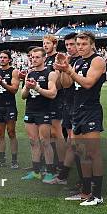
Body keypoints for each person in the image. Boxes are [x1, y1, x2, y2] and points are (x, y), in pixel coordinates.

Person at [56, 32, 105, 206]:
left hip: (91, 110)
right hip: (77, 111)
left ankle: (97, 195)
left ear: (92, 44)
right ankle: (85, 193)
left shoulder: (97, 60)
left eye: (84, 43)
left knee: (93, 153)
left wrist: (69, 70)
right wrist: (63, 68)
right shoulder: (77, 61)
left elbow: (88, 83)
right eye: (78, 44)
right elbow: (66, 84)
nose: (80, 47)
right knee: (82, 153)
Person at [47, 32, 82, 186]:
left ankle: (77, 180)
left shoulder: (81, 61)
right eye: (67, 45)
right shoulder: (69, 60)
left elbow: (70, 83)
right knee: (72, 142)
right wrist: (60, 70)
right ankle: (65, 176)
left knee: (77, 143)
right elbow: (62, 84)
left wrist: (65, 68)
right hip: (67, 104)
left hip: (79, 106)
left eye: (72, 44)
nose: (69, 47)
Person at [20, 47, 58, 181]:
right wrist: (28, 87)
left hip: (44, 111)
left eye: (37, 57)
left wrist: (37, 88)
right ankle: (36, 171)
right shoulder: (29, 74)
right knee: (33, 142)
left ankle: (50, 172)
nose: (34, 59)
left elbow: (53, 94)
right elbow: (23, 95)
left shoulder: (50, 73)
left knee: (45, 142)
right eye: (32, 57)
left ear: (44, 58)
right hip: (30, 110)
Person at [0, 50, 20, 169]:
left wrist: (2, 83)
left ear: (9, 60)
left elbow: (14, 90)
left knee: (11, 133)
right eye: (0, 57)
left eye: (4, 58)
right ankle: (2, 160)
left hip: (10, 106)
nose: (2, 59)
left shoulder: (14, 71)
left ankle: (14, 161)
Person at [43, 34, 65, 176]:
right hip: (46, 98)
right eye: (44, 43)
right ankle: (54, 162)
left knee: (57, 132)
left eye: (47, 43)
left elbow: (58, 81)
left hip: (57, 98)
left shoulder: (58, 58)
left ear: (54, 44)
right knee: (50, 132)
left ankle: (62, 165)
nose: (45, 45)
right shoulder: (45, 59)